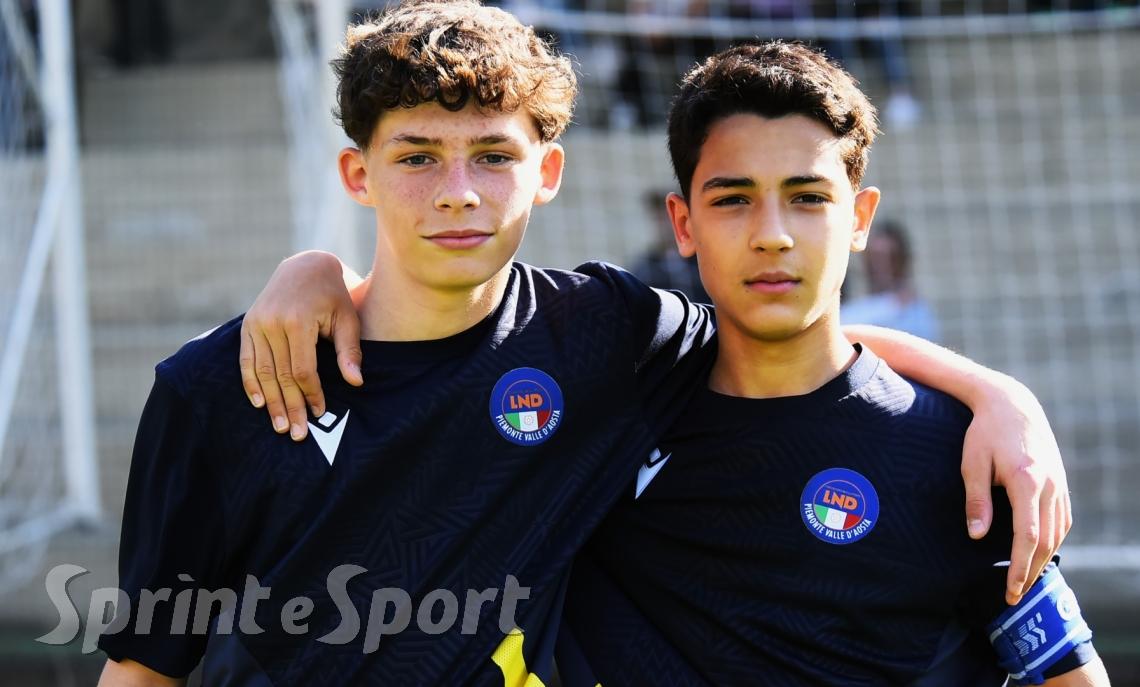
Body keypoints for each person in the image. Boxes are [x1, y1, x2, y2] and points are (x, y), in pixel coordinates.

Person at [102, 1, 1070, 684]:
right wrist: (310, 269)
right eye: (417, 158)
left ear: (549, 171)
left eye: (493, 156)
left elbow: (789, 328)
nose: (458, 192)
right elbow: (147, 660)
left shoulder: (605, 335)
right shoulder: (221, 387)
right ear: (358, 173)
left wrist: (999, 398)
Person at [555, 41, 1107, 686]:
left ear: (860, 218)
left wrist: (999, 395)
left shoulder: (957, 454)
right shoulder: (610, 425)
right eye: (733, 199)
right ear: (683, 224)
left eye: (808, 197)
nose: (772, 233)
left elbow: (1072, 679)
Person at [842, 219, 941, 340]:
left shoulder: (916, 312)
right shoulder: (857, 307)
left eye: (890, 257)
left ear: (902, 260)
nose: (881, 265)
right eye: (874, 257)